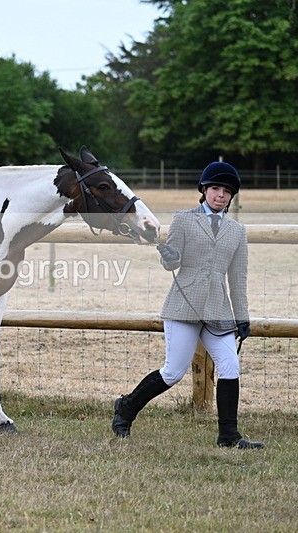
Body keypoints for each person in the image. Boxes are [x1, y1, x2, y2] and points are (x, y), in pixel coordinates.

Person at [112, 161, 263, 449]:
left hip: (218, 309)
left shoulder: (237, 231)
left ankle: (228, 436)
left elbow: (238, 279)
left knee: (230, 366)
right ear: (204, 190)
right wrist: (169, 258)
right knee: (173, 372)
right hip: (184, 305)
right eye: (215, 188)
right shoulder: (183, 220)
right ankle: (126, 407)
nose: (220, 195)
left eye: (227, 191)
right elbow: (172, 261)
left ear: (232, 196)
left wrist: (242, 317)